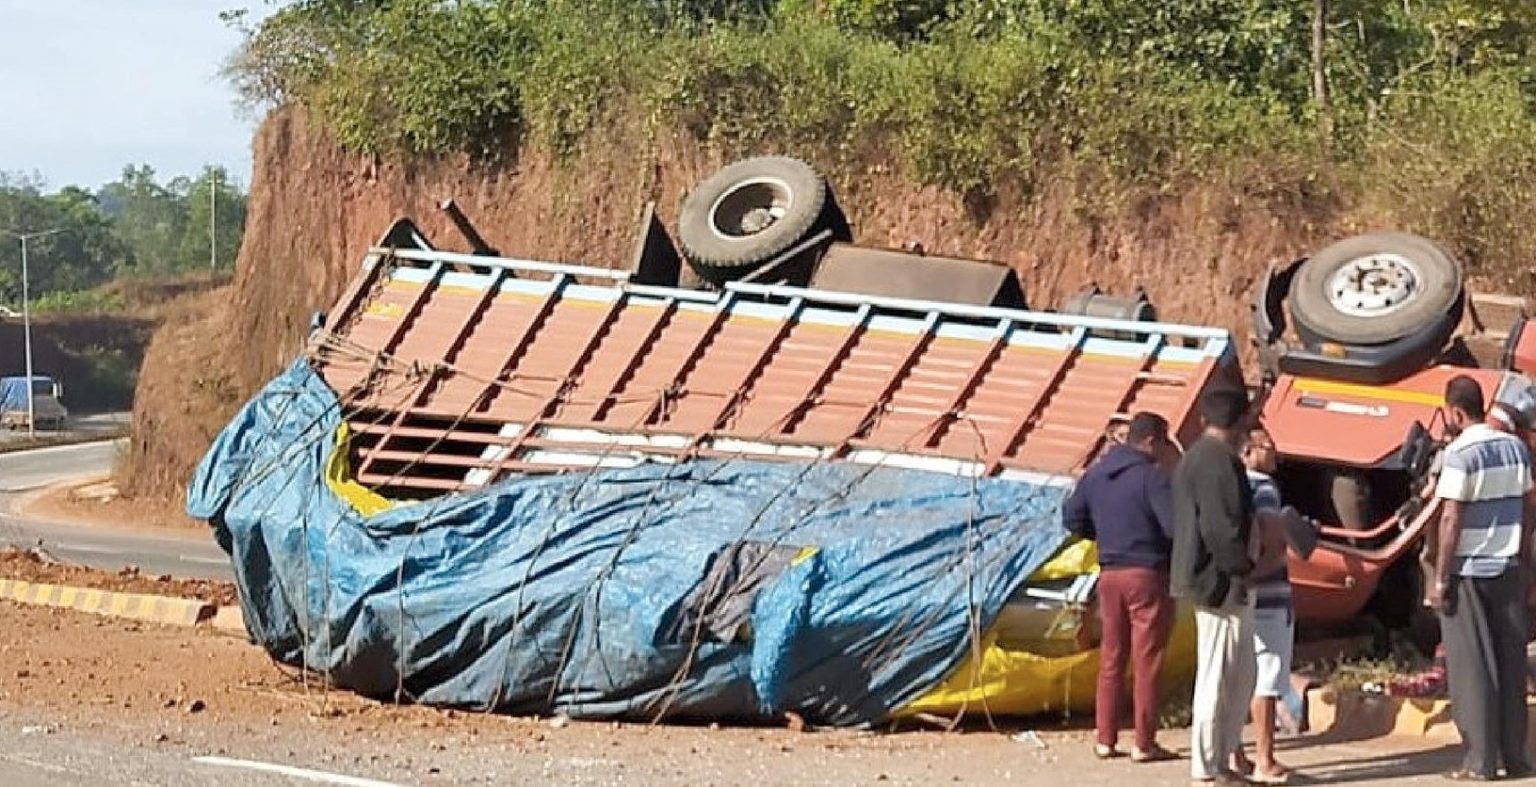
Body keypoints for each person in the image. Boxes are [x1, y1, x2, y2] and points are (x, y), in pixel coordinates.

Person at [1428, 375, 1536, 781]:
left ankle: (1480, 761)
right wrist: (1524, 557)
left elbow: (1451, 517)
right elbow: (1528, 506)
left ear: (1456, 413)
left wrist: (1441, 578)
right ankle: (1516, 757)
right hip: (1509, 567)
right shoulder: (1516, 449)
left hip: (1469, 572)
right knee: (1511, 663)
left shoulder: (1459, 454)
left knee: (1472, 667)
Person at [1063, 412, 1178, 763]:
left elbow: (1071, 517)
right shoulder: (1152, 476)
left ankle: (1105, 738)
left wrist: (1103, 534)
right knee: (1147, 660)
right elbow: (1173, 527)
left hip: (1109, 573)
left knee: (1111, 657)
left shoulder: (1096, 474)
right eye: (1163, 442)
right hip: (1147, 574)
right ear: (1151, 441)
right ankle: (1144, 742)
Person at [1172, 387, 1256, 787]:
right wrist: (1244, 567)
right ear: (1239, 421)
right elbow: (1221, 529)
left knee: (1230, 676)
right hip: (1219, 583)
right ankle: (1208, 768)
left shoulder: (1195, 457)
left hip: (1207, 579)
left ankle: (1218, 761)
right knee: (1218, 677)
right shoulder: (1218, 463)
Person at [1241, 427, 1316, 785]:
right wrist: (1279, 557)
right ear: (1247, 451)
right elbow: (1272, 541)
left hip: (1237, 597)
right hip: (1270, 596)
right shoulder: (1264, 488)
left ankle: (1234, 753)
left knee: (1238, 677)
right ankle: (1265, 758)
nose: (1275, 452)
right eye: (1267, 446)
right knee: (1267, 679)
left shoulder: (1231, 486)